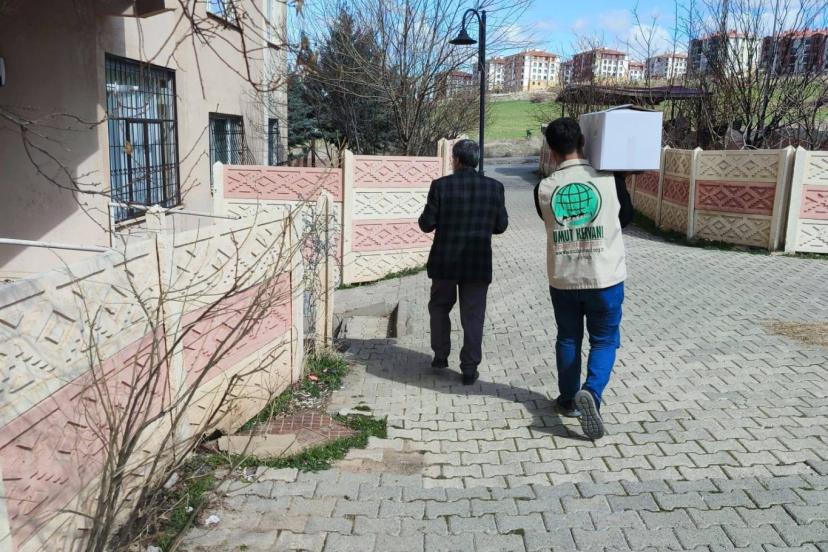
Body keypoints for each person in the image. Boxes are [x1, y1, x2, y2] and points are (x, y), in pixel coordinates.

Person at [534, 117, 633, 439]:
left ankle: (568, 400)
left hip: (564, 277)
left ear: (551, 150)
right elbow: (626, 219)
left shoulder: (543, 188)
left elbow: (549, 220)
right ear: (583, 142)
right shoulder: (610, 180)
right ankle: (591, 392)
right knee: (604, 340)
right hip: (605, 276)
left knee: (568, 338)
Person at [419, 139, 509, 385]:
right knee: (473, 316)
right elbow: (501, 225)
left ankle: (440, 356)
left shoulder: (440, 186)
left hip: (445, 263)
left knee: (439, 308)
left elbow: (426, 224)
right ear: (476, 160)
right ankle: (469, 369)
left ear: (457, 160)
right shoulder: (495, 187)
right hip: (477, 263)